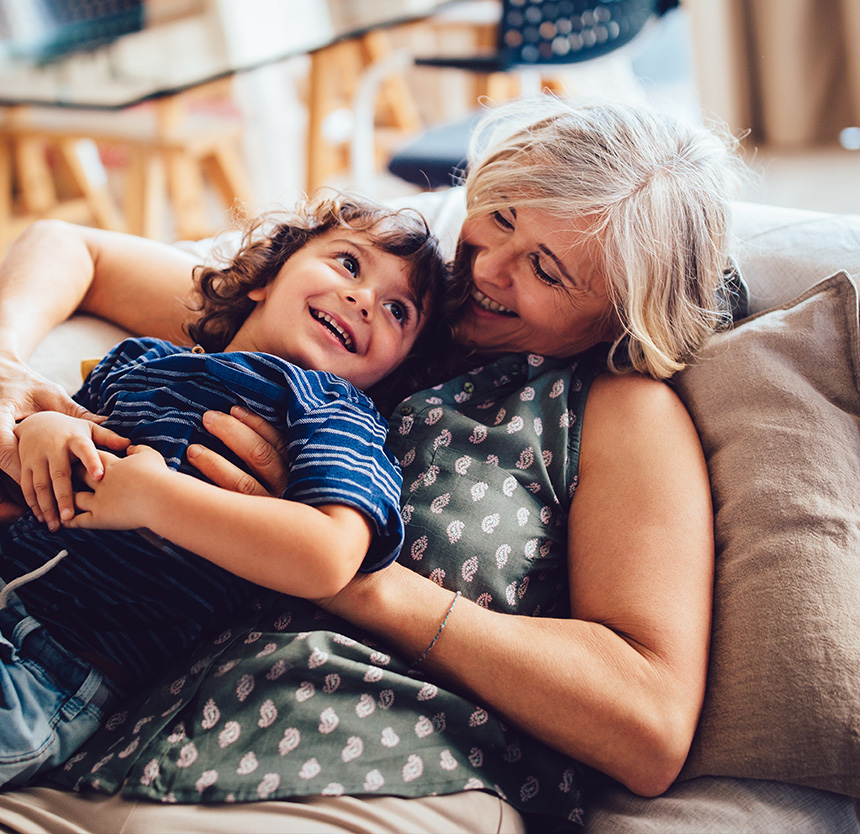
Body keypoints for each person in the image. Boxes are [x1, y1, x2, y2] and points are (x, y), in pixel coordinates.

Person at [0, 97, 743, 832]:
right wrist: (6, 377)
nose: (485, 268)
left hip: (369, 769)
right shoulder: (372, 327)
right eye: (503, 216)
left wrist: (329, 558)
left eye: (546, 271)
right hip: (118, 752)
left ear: (623, 312)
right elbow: (76, 251)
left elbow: (648, 725)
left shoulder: (619, 412)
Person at [0, 192, 451, 789]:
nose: (363, 299)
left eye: (399, 312)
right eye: (348, 264)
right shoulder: (143, 360)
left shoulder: (333, 413)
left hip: (51, 668)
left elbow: (329, 556)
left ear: (394, 370)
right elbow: (59, 450)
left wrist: (156, 500)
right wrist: (41, 430)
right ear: (266, 276)